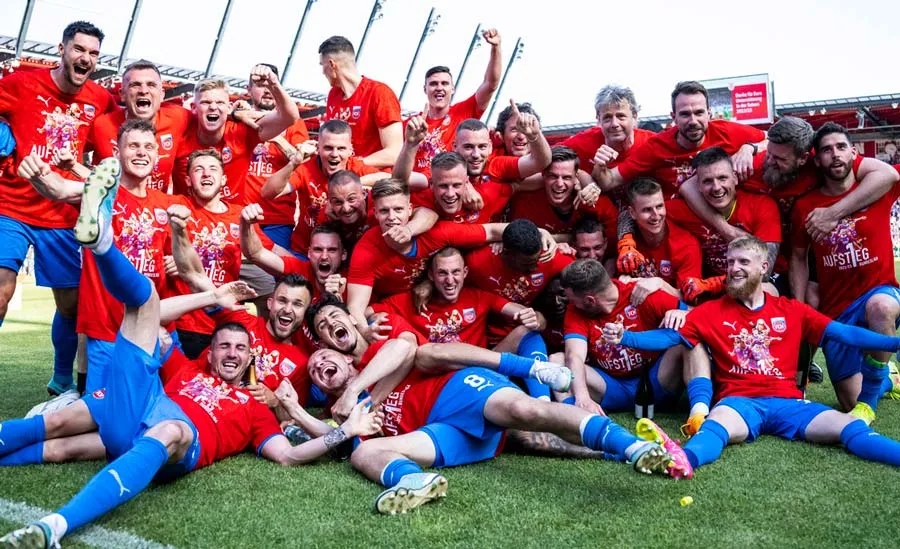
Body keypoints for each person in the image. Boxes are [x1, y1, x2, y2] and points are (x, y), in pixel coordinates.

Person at [0, 158, 383, 548]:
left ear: (253, 358)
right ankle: (101, 244)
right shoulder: (189, 370)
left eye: (239, 349)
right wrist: (212, 296)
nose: (232, 354)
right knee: (68, 428)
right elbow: (153, 318)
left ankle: (55, 526)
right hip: (137, 416)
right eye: (224, 347)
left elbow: (288, 453)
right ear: (211, 353)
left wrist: (340, 431)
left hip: (175, 439)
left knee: (169, 428)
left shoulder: (256, 406)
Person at [303, 299, 687, 515]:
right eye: (315, 369)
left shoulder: (372, 359)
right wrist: (305, 414)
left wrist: (358, 390)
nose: (321, 365)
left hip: (457, 391)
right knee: (364, 452)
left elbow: (405, 347)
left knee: (529, 413)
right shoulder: (337, 411)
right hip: (440, 431)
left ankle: (633, 446)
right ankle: (412, 481)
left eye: (323, 356)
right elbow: (322, 443)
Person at [604, 236, 900, 471]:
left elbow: (843, 333)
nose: (734, 268)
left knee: (851, 427)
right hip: (739, 403)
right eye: (730, 262)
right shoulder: (708, 312)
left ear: (763, 267)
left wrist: (893, 344)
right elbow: (668, 337)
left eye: (743, 261)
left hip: (788, 403)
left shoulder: (791, 310)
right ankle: (682, 461)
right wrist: (626, 337)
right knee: (714, 427)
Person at [20, 119, 185, 394]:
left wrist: (178, 259)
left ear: (157, 155)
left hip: (157, 327)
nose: (141, 152)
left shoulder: (168, 205)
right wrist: (37, 174)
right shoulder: (99, 192)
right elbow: (59, 189)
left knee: (172, 407)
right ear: (116, 153)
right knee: (102, 419)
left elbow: (182, 259)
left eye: (148, 147)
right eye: (133, 146)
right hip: (107, 329)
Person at [0, 21, 117, 395]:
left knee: (71, 306)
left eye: (93, 53)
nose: (86, 58)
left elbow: (120, 128)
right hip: (11, 205)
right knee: (1, 291)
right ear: (61, 49)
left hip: (62, 212)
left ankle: (62, 378)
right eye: (79, 49)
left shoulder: (100, 98)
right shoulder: (21, 83)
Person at [346, 180, 556, 340]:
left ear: (410, 210)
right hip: (394, 308)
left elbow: (491, 231)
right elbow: (356, 307)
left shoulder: (436, 233)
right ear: (376, 214)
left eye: (398, 209)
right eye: (384, 211)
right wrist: (365, 330)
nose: (392, 217)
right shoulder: (367, 249)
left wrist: (538, 231)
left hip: (436, 303)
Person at [790, 123, 900, 423]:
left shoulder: (877, 188)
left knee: (881, 307)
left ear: (854, 152)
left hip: (879, 291)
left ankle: (873, 392)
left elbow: (891, 173)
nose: (835, 155)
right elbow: (799, 257)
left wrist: (834, 212)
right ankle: (889, 376)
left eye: (841, 147)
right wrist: (799, 305)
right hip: (836, 309)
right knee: (849, 400)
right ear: (816, 160)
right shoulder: (804, 206)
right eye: (826, 150)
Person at [624, 147, 781, 303]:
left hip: (754, 284)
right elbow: (630, 215)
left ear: (735, 178)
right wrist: (626, 244)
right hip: (713, 292)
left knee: (765, 289)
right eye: (707, 181)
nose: (716, 187)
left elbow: (763, 272)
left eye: (722, 178)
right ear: (697, 185)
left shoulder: (762, 206)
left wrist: (713, 284)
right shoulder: (684, 208)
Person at [167, 149, 274, 359]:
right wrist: (172, 256)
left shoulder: (239, 215)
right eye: (199, 169)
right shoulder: (175, 207)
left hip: (224, 326)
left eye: (213, 169)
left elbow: (268, 255)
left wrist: (305, 265)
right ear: (188, 180)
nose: (206, 174)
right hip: (183, 323)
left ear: (224, 179)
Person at [594, 81, 766, 198]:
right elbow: (610, 181)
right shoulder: (656, 146)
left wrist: (749, 148)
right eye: (685, 114)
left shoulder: (727, 131)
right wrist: (599, 166)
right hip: (682, 222)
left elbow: (773, 138)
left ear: (709, 113)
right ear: (673, 117)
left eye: (699, 113)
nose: (693, 121)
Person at [558, 258, 686, 414]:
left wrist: (682, 312)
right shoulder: (575, 310)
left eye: (572, 299)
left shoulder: (642, 294)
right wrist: (582, 398)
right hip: (612, 387)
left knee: (687, 342)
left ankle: (700, 411)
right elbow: (574, 355)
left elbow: (697, 318)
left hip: (655, 380)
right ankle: (574, 414)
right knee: (556, 361)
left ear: (590, 300)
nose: (569, 304)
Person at [260, 120, 388, 257]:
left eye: (341, 148)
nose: (334, 154)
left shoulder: (356, 168)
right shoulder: (306, 168)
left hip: (342, 253)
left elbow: (392, 180)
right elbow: (268, 193)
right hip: (304, 251)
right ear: (318, 148)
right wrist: (294, 163)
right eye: (328, 148)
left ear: (351, 150)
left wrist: (350, 185)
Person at [172, 69, 299, 202]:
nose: (213, 107)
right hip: (186, 218)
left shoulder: (241, 133)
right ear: (193, 107)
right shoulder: (179, 133)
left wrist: (273, 84)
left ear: (228, 108)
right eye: (206, 102)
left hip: (230, 220)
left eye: (220, 102)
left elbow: (290, 117)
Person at [410, 28, 502, 178]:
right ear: (425, 89)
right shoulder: (412, 124)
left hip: (453, 186)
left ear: (452, 89)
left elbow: (490, 84)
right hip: (420, 189)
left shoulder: (464, 111)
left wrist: (496, 48)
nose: (439, 88)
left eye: (444, 83)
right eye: (433, 84)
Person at [88, 60, 191, 192]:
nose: (143, 91)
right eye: (135, 85)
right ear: (122, 94)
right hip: (112, 208)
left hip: (155, 209)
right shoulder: (101, 125)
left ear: (162, 95)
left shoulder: (179, 118)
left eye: (151, 85)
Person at [241, 63, 310, 250]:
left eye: (271, 85)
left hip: (277, 219)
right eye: (260, 85)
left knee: (276, 275)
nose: (267, 90)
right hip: (241, 214)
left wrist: (276, 137)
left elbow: (302, 160)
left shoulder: (294, 124)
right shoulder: (240, 120)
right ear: (248, 89)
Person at [558, 85, 655, 207]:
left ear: (634, 116)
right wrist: (578, 174)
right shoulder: (584, 141)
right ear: (598, 118)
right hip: (600, 217)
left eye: (621, 116)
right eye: (607, 117)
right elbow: (548, 157)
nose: (614, 124)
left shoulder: (651, 143)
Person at [508, 146, 618, 246]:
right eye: (553, 176)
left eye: (566, 177)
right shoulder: (526, 203)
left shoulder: (593, 200)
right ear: (543, 176)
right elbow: (518, 242)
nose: (559, 184)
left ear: (576, 177)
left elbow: (614, 241)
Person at [319, 36, 402, 168]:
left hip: (372, 178)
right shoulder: (333, 95)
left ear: (331, 64)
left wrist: (351, 165)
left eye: (322, 66)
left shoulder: (380, 93)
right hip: (340, 175)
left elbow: (394, 153)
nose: (322, 72)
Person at [621, 178, 702, 298]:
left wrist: (660, 284)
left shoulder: (686, 245)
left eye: (659, 206)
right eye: (647, 210)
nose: (656, 216)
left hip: (673, 313)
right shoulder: (626, 236)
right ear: (632, 213)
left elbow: (690, 301)